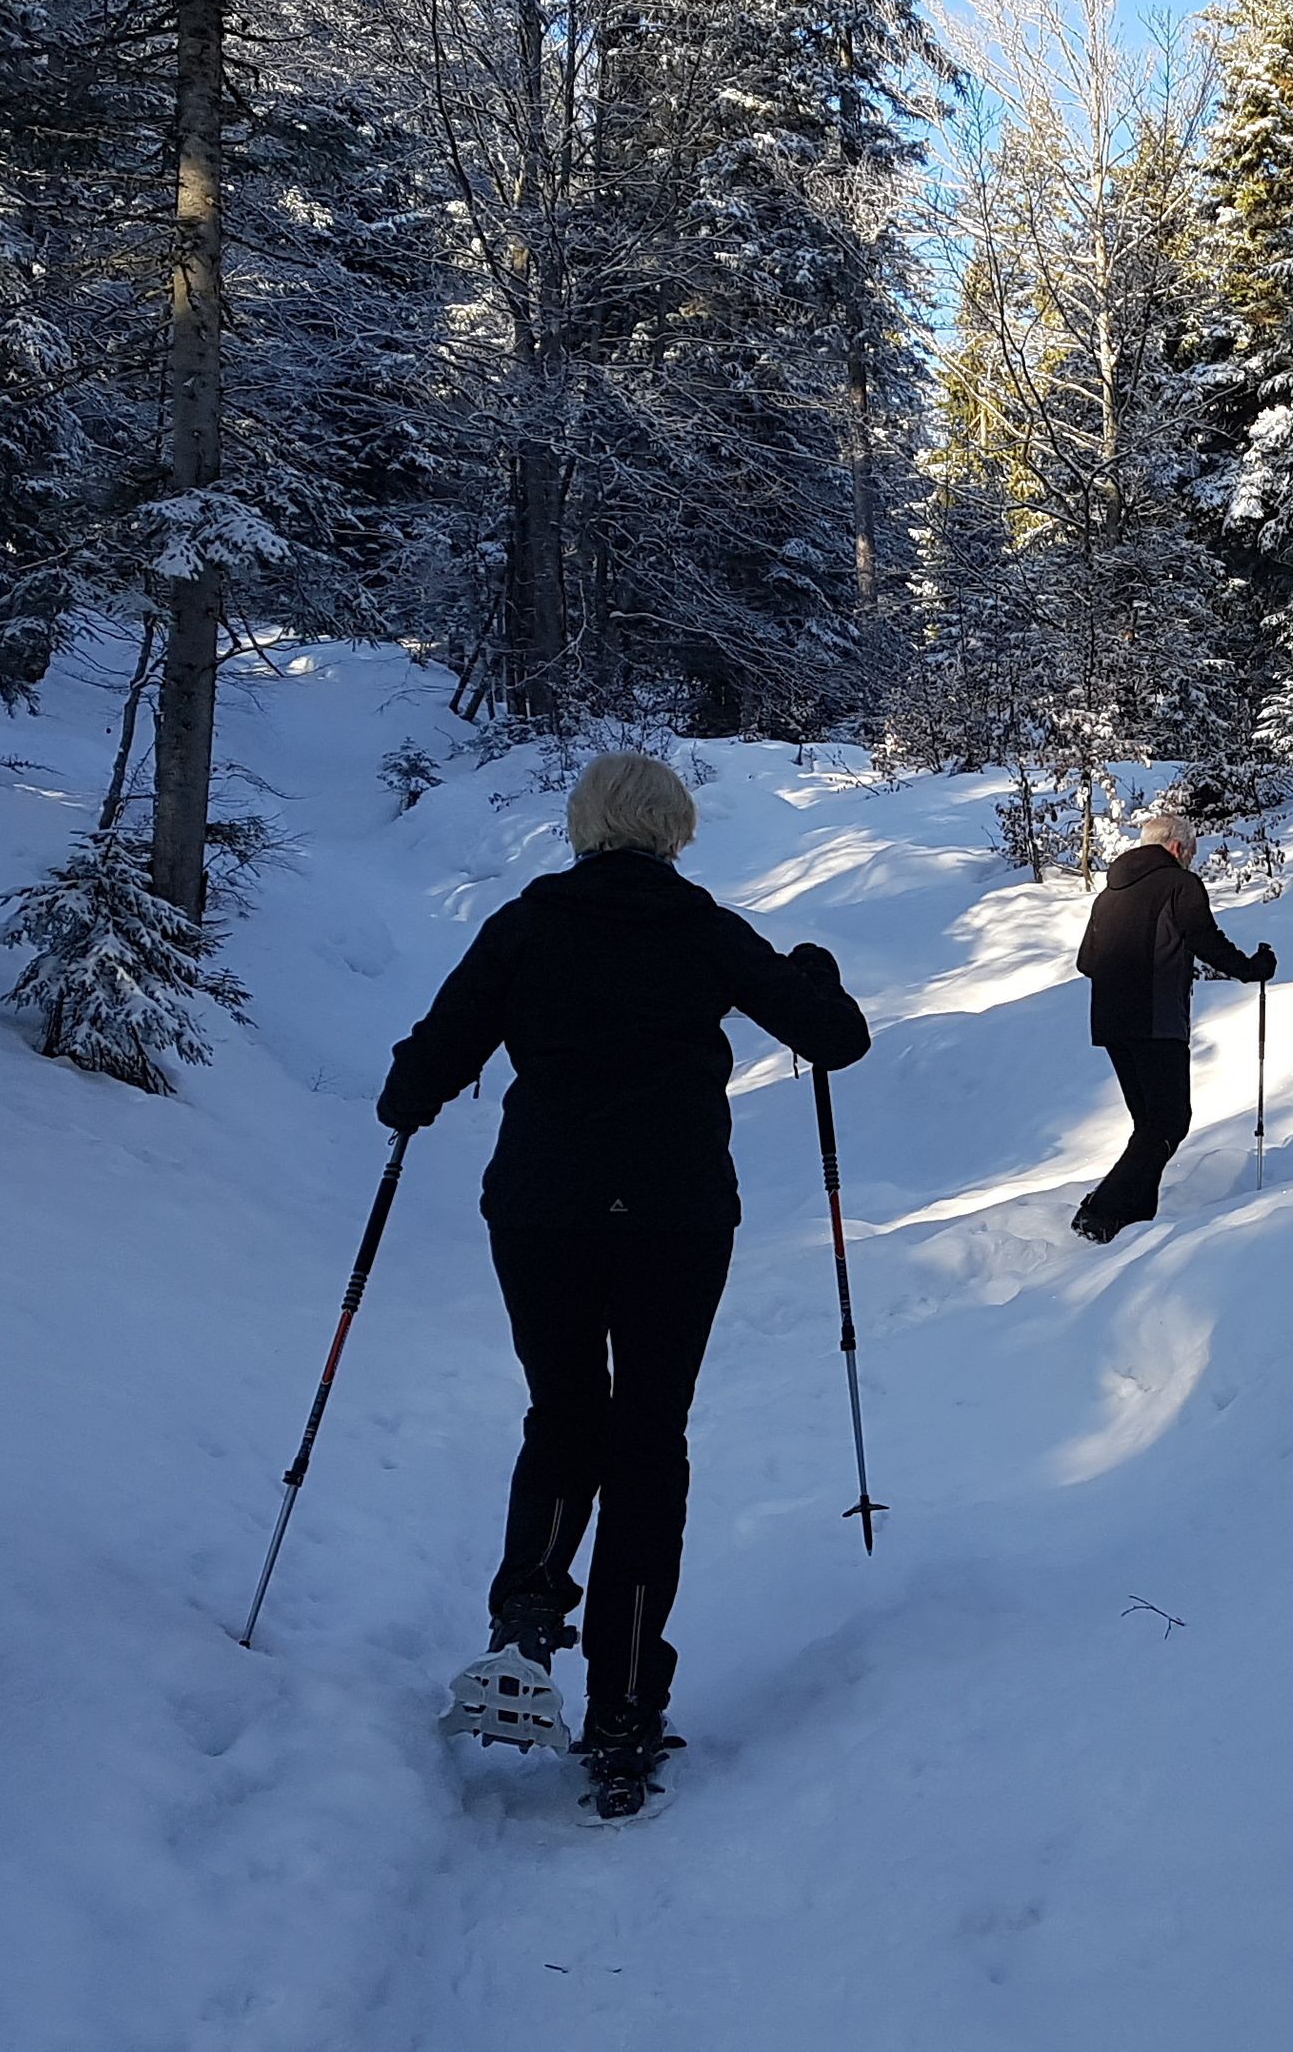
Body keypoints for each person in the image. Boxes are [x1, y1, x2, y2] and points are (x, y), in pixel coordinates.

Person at [376, 751, 870, 1819]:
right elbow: (836, 1040)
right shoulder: (704, 929)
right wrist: (817, 979)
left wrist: (414, 1097)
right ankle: (625, 1709)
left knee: (563, 1410)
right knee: (648, 1439)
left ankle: (526, 1611)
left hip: (541, 1210)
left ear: (583, 825)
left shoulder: (526, 926)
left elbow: (425, 1066)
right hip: (674, 1217)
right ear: (674, 829)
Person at [1072, 813, 1277, 1242]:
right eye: (1192, 853)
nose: (1191, 861)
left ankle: (1132, 1220)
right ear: (1177, 847)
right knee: (1170, 1121)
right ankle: (1100, 1212)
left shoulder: (1108, 894)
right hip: (1158, 1020)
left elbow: (1086, 962)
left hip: (1110, 1023)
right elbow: (1205, 940)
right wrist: (1252, 969)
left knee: (1149, 1123)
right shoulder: (1180, 885)